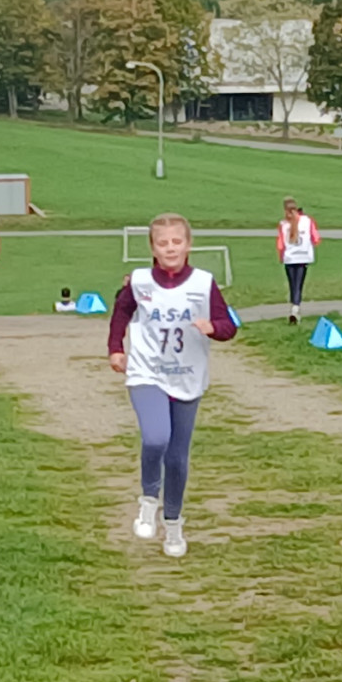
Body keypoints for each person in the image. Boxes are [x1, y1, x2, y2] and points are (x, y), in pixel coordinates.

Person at [108, 213, 238, 558]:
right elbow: (121, 312)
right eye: (163, 243)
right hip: (147, 372)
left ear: (188, 245)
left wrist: (213, 328)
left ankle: (174, 523)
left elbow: (228, 326)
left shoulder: (203, 283)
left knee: (177, 458)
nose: (170, 248)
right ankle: (148, 499)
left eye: (176, 242)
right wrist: (116, 348)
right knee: (156, 437)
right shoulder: (139, 282)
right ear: (152, 248)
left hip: (187, 376)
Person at [277, 197, 319, 324]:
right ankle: (295, 308)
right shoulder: (307, 221)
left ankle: (293, 308)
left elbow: (280, 244)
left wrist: (281, 256)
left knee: (292, 284)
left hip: (290, 258)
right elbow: (316, 238)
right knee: (299, 284)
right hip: (303, 257)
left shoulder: (283, 224)